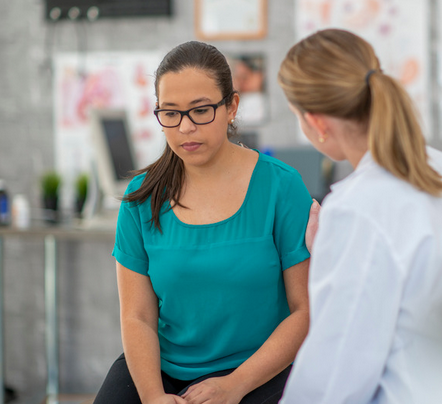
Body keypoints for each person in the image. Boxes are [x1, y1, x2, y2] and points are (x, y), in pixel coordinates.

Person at [277, 29, 442, 403]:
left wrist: (335, 247)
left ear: (316, 122)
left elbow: (335, 378)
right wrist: (332, 248)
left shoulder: (358, 209)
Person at [94, 41, 312, 404]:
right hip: (163, 368)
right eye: (170, 113)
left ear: (232, 107)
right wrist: (152, 395)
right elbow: (138, 317)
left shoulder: (281, 186)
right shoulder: (141, 198)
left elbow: (304, 311)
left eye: (201, 111)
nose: (185, 128)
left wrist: (235, 384)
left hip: (258, 368)